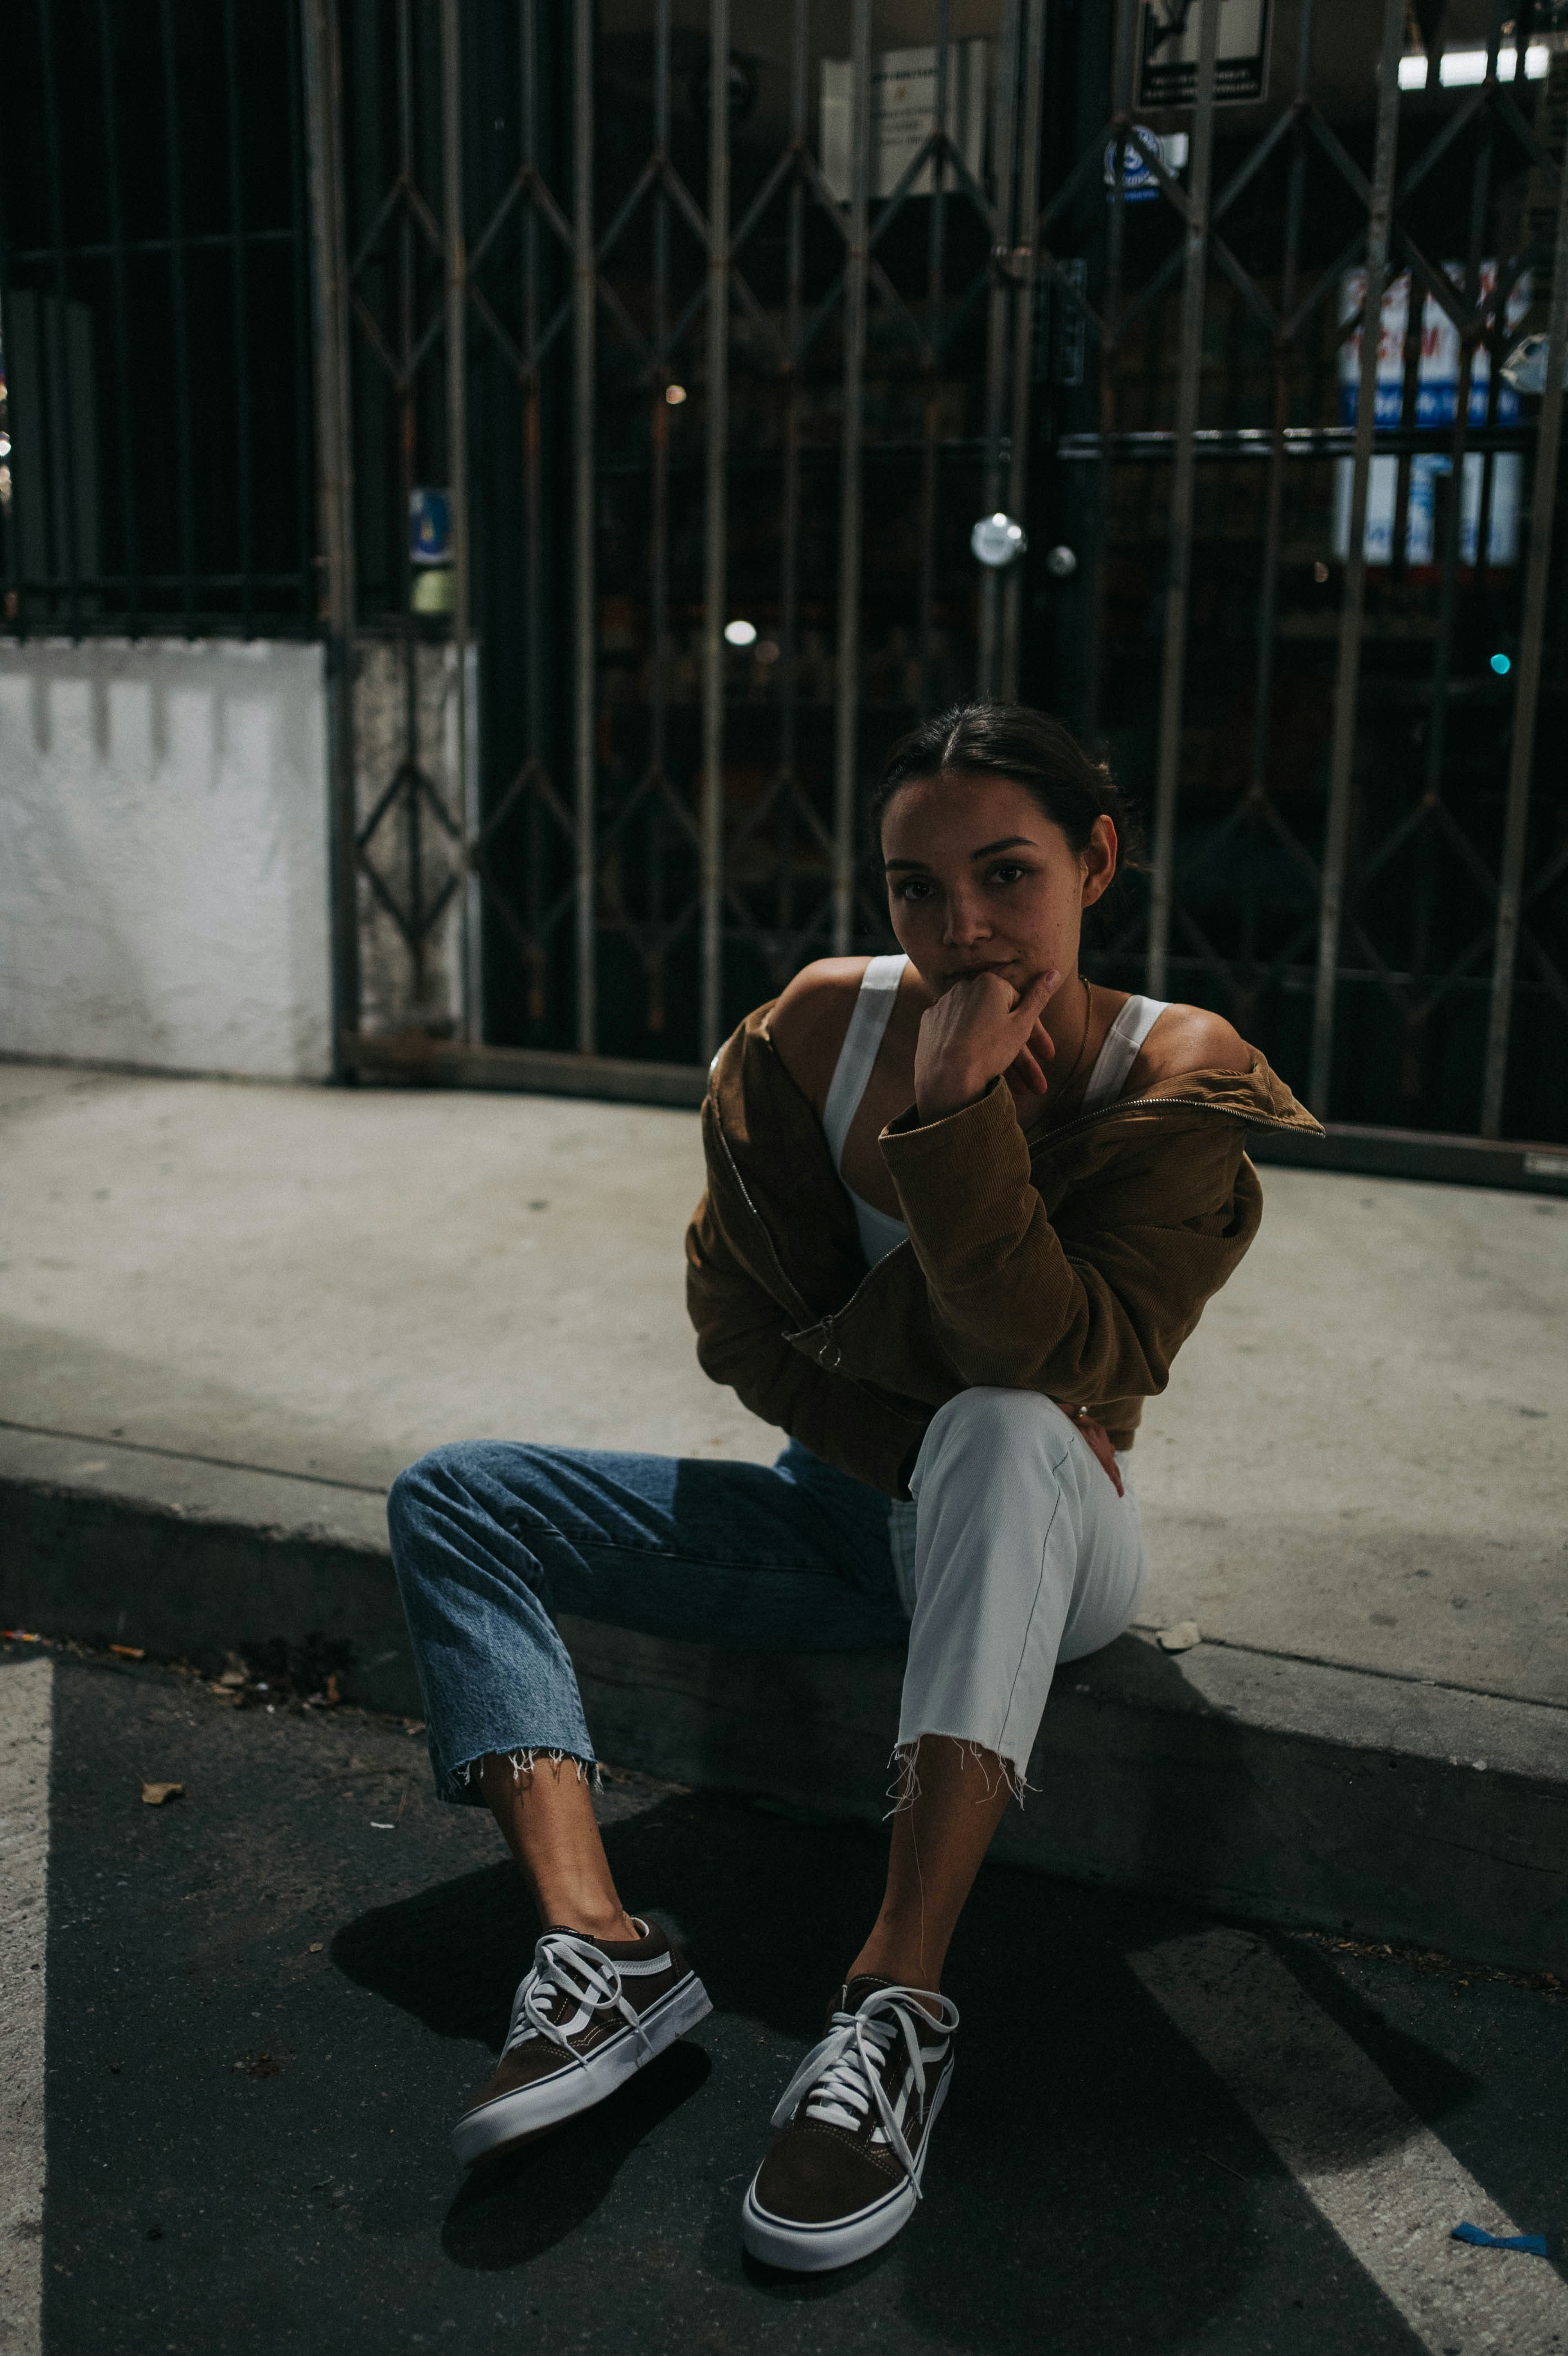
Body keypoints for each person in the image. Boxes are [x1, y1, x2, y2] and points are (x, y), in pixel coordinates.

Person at [387, 700, 1319, 2274]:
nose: (961, 932)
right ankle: (599, 1949)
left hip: (1055, 1543)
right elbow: (740, 1329)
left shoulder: (1176, 1076)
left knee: (1011, 1428)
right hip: (839, 1513)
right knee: (455, 1496)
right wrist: (902, 1451)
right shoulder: (819, 1030)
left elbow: (1055, 1353)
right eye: (914, 886)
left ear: (1097, 862)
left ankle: (895, 1996)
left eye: (1008, 875)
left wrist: (955, 1127)